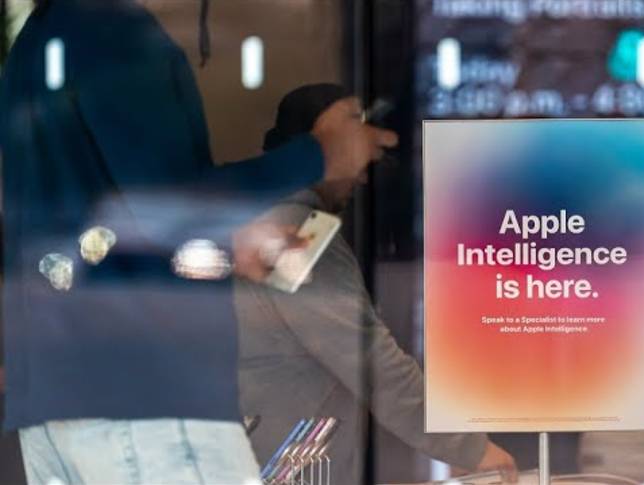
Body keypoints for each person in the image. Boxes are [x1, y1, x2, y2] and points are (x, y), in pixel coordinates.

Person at [0, 1, 395, 484]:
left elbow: (110, 220)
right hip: (149, 398)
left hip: (57, 407)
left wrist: (230, 246)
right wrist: (323, 153)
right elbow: (171, 201)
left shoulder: (41, 38)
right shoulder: (112, 29)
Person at [236, 85, 519, 484]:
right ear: (324, 148)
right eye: (355, 150)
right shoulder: (295, 232)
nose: (363, 175)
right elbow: (367, 355)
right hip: (285, 469)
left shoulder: (267, 223)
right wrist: (470, 448)